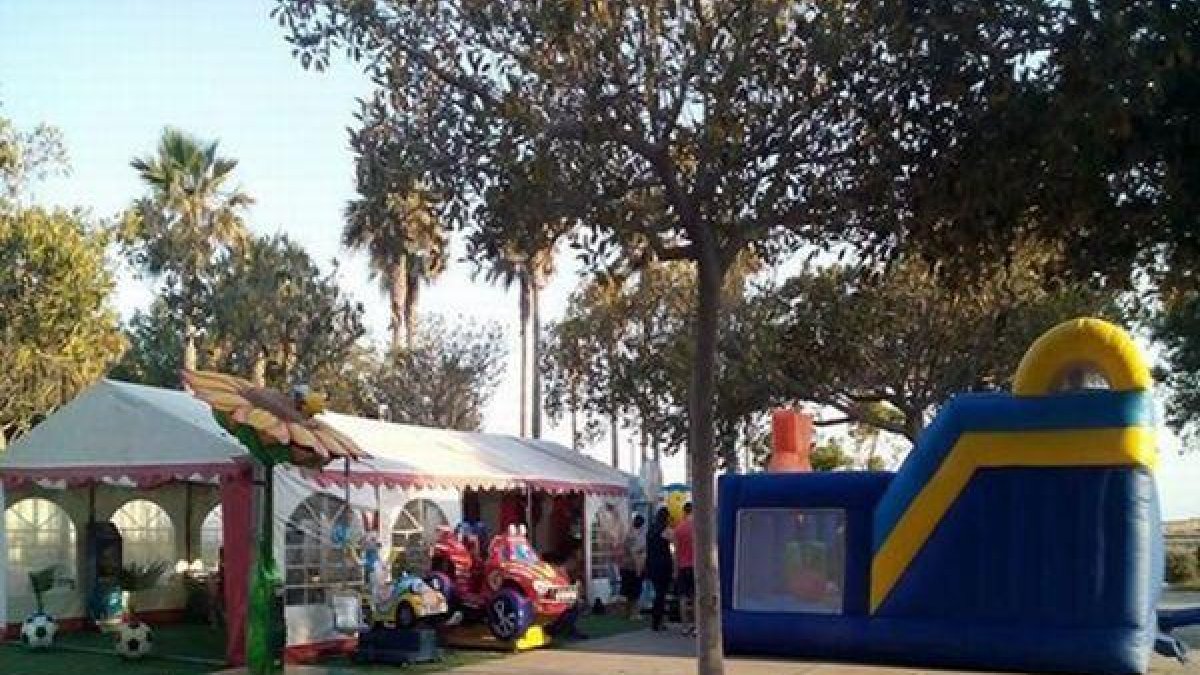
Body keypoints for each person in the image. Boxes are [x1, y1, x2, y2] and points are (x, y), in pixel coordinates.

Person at [645, 506, 674, 631]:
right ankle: (658, 621)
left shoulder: (650, 530)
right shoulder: (665, 531)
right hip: (664, 564)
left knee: (658, 593)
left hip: (652, 563)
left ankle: (656, 620)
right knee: (661, 594)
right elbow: (674, 541)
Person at [619, 513, 647, 620]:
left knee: (627, 592)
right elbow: (634, 553)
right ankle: (634, 613)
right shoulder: (636, 536)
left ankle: (628, 613)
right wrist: (638, 569)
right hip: (633, 567)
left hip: (625, 566)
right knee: (635, 592)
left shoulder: (628, 534)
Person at [674, 502, 695, 636]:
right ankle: (696, 626)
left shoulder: (678, 528)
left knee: (682, 597)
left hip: (682, 566)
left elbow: (676, 551)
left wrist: (675, 570)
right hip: (695, 566)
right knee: (696, 597)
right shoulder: (698, 527)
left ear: (684, 511)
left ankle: (684, 627)